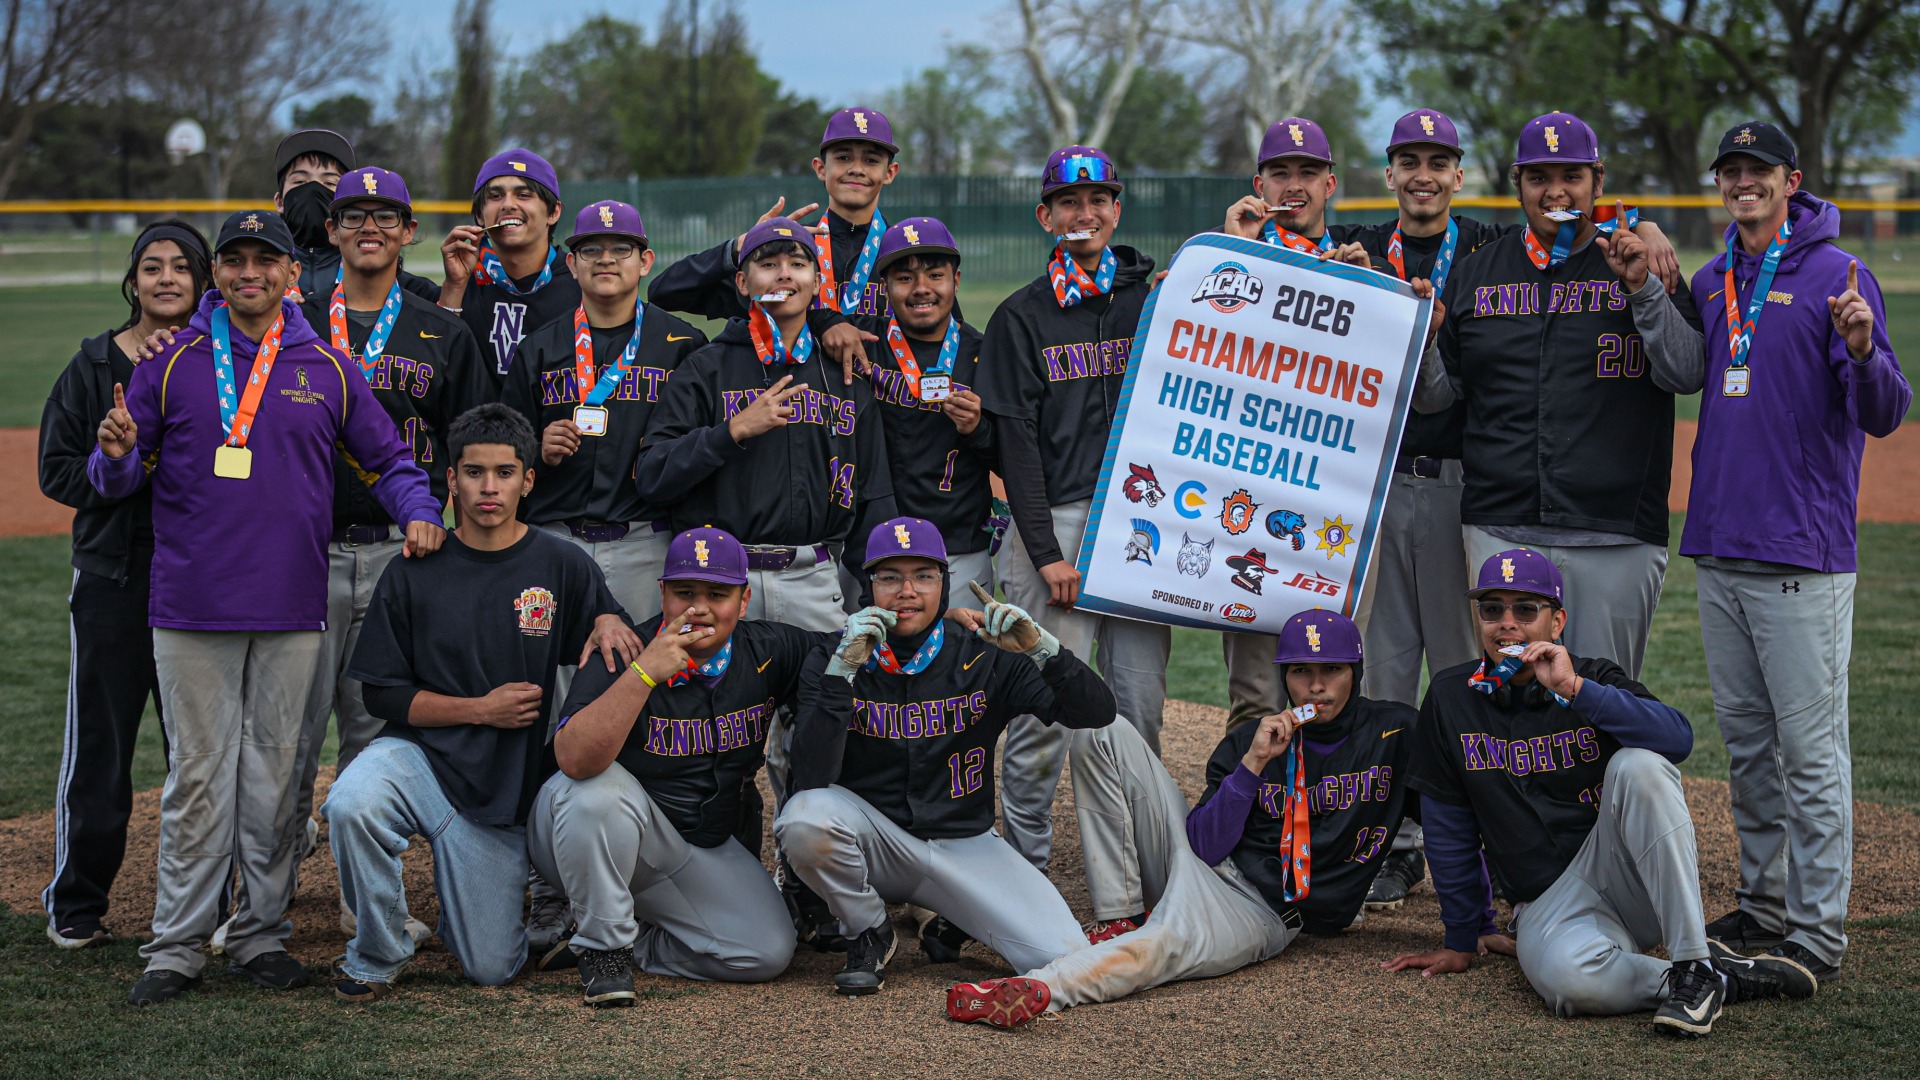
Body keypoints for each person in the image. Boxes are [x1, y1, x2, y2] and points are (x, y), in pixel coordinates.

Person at [89, 210, 447, 1005]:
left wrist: (418, 508)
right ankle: (177, 945)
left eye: (266, 260)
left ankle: (259, 935)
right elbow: (117, 474)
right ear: (216, 274)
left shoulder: (327, 365)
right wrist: (113, 454)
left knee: (274, 776)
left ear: (292, 275)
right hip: (191, 606)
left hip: (291, 604)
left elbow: (390, 457)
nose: (250, 272)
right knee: (197, 778)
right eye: (235, 260)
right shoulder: (174, 360)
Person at [1386, 549, 1817, 1036]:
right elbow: (1448, 825)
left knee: (1641, 765)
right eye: (1492, 609)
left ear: (1557, 621)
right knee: (1572, 985)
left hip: (1630, 877)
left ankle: (1694, 959)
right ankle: (1714, 979)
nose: (1507, 624)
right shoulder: (1451, 696)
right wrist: (1463, 935)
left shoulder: (1593, 677)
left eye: (1526, 610)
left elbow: (1678, 739)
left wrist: (1575, 689)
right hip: (1548, 904)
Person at [1684, 121, 1910, 985]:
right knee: (1746, 748)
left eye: (1758, 171)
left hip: (1802, 555)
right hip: (1720, 547)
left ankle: (1815, 933)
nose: (1744, 182)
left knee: (1811, 753)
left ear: (1792, 180)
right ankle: (1764, 901)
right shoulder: (1713, 281)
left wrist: (1862, 347)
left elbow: (1885, 412)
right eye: (1732, 170)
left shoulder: (1837, 275)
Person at [946, 611, 1413, 1028]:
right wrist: (1252, 765)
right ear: (1283, 677)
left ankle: (1046, 988)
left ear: (1356, 672)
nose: (1316, 686)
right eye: (1301, 671)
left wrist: (1469, 929)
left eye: (1332, 670)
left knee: (1160, 950)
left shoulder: (1394, 734)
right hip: (1197, 859)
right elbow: (1206, 846)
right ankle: (1120, 914)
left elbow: (1453, 812)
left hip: (1258, 907)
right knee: (1101, 728)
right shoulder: (1255, 737)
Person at [327, 404, 637, 1001]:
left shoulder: (561, 563)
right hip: (418, 761)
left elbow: (612, 638)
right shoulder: (414, 568)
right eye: (473, 473)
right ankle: (379, 947)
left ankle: (462, 906)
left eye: (503, 473)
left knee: (492, 967)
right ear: (450, 479)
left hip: (499, 795)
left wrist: (605, 615)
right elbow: (381, 693)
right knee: (351, 802)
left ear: (528, 480)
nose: (488, 488)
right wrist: (478, 709)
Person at [1410, 111, 1703, 680]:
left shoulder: (1638, 260)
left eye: (1571, 175)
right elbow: (1436, 399)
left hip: (1614, 530)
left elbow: (1686, 371)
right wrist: (1425, 344)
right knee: (1508, 704)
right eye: (1539, 177)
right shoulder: (1477, 271)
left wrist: (1641, 291)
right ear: (1518, 183)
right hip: (1500, 524)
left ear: (1598, 181)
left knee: (1605, 703)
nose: (1556, 191)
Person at [779, 518, 1113, 996]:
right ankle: (869, 929)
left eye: (924, 575)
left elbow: (1095, 712)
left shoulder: (986, 653)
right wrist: (841, 676)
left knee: (1063, 957)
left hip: (965, 843)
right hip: (873, 843)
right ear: (867, 586)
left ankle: (954, 920)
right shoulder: (834, 657)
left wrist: (1042, 648)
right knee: (805, 818)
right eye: (889, 577)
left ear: (945, 583)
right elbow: (810, 777)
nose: (907, 591)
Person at [290, 168, 492, 932]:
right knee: (290, 737)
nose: (368, 226)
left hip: (398, 555)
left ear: (409, 233)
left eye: (386, 215)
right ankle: (265, 913)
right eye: (353, 214)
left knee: (374, 735)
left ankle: (362, 911)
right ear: (333, 231)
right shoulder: (292, 318)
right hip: (298, 555)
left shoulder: (442, 330)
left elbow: (472, 442)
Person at [973, 145, 1170, 875]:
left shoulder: (1150, 302)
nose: (1084, 214)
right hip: (1052, 523)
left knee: (1138, 707)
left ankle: (1136, 868)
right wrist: (1046, 550)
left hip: (1142, 519)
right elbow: (1015, 445)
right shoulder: (1021, 316)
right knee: (1039, 715)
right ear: (1045, 216)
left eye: (1099, 200)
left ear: (1117, 210)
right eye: (1068, 202)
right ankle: (1021, 869)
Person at [532, 527, 832, 1006]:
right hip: (589, 834)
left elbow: (854, 647)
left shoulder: (772, 648)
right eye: (684, 593)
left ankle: (640, 942)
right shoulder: (624, 649)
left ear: (745, 598)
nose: (700, 607)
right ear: (662, 594)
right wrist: (644, 674)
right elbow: (573, 759)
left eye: (718, 594)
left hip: (692, 847)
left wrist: (952, 628)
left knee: (765, 952)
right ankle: (602, 948)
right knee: (597, 792)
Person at [37, 220, 210, 949]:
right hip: (113, 576)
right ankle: (77, 905)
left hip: (196, 579)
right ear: (132, 281)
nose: (166, 278)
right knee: (102, 749)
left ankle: (209, 904)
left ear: (203, 282)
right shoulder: (90, 364)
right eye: (152, 267)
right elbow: (56, 472)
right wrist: (123, 466)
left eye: (180, 267)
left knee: (196, 752)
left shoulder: (216, 362)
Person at [635, 216, 896, 635]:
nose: (784, 274)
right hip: (718, 581)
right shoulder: (706, 368)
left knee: (822, 698)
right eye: (768, 264)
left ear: (815, 280)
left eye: (797, 263)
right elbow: (652, 475)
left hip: (812, 580)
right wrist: (731, 431)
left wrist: (876, 596)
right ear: (742, 283)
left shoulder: (844, 375)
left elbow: (873, 499)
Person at [1213, 116, 1370, 746]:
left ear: (1331, 182)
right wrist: (1236, 251)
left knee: (1339, 672)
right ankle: (1246, 833)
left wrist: (1371, 288)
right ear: (1259, 181)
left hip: (1335, 497)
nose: (1295, 184)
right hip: (1248, 495)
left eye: (1309, 172)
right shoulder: (1224, 257)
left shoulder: (1361, 265)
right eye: (1282, 172)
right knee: (1254, 690)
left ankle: (1344, 835)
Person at [499, 199, 707, 621]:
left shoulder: (683, 346)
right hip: (555, 541)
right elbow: (502, 451)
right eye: (591, 250)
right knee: (552, 681)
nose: (606, 259)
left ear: (646, 261)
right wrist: (537, 449)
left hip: (647, 544)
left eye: (621, 248)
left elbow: (699, 455)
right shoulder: (538, 348)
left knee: (640, 676)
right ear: (572, 264)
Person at [842, 218, 997, 589]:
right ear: (885, 286)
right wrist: (829, 321)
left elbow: (1012, 458)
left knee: (961, 649)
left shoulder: (984, 354)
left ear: (956, 281)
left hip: (958, 549)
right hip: (866, 546)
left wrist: (979, 429)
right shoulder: (857, 340)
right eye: (905, 277)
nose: (921, 289)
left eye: (934, 275)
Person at [650, 106, 900, 321]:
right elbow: (664, 293)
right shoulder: (785, 253)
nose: (856, 169)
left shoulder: (903, 252)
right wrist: (742, 246)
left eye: (871, 160)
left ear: (890, 172)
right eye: (844, 157)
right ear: (821, 168)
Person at [436, 149, 581, 386]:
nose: (508, 205)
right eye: (495, 196)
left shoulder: (580, 282)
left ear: (553, 212)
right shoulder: (463, 281)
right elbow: (438, 370)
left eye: (523, 195)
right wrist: (454, 286)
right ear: (479, 216)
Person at [270, 129, 437, 305]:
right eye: (300, 182)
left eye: (329, 183)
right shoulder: (261, 280)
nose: (314, 190)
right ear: (279, 201)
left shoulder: (410, 290)